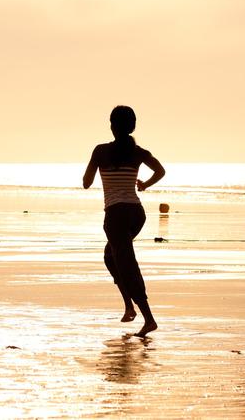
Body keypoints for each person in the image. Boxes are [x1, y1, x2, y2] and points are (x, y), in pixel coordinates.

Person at [83, 105, 166, 337]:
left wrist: (94, 170)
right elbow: (160, 170)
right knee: (112, 257)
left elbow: (86, 182)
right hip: (136, 213)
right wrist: (145, 184)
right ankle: (129, 307)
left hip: (116, 215)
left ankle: (148, 318)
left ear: (111, 126)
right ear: (133, 126)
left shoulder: (100, 151)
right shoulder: (137, 151)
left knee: (126, 263)